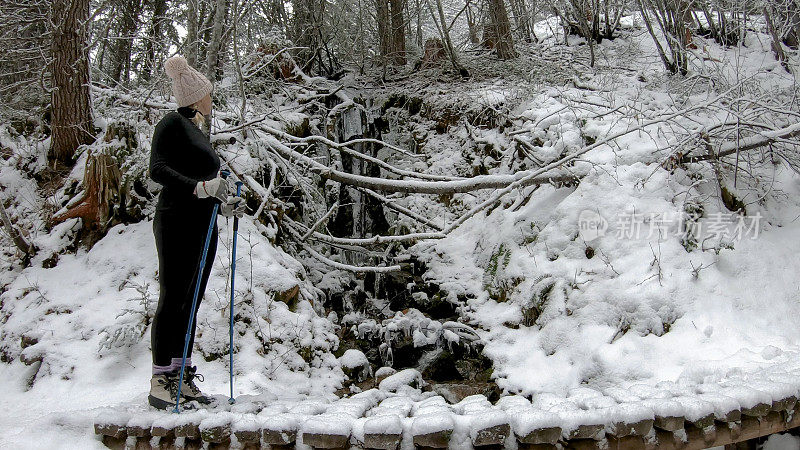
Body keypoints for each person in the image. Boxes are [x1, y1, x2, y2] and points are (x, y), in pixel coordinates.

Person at [147, 55, 245, 410]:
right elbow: (158, 169)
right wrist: (201, 188)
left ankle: (181, 374)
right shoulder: (171, 123)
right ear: (194, 95)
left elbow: (205, 183)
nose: (211, 98)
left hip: (202, 224)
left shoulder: (195, 129)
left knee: (191, 299)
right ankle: (161, 379)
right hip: (176, 221)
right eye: (207, 93)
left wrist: (222, 201)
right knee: (173, 298)